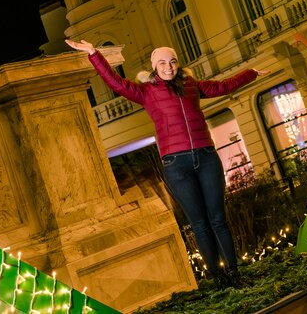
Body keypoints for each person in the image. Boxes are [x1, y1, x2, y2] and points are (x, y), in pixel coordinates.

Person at [66, 39, 265, 288]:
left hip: (206, 157)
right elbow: (115, 82)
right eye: (162, 63)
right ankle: (219, 278)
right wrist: (93, 53)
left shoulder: (191, 85)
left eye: (172, 61)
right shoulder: (146, 91)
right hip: (176, 164)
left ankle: (235, 275)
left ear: (177, 64)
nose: (168, 67)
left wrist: (252, 73)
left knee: (218, 219)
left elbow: (222, 86)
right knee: (200, 224)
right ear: (154, 67)